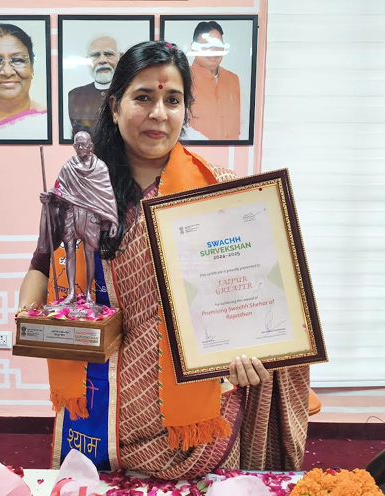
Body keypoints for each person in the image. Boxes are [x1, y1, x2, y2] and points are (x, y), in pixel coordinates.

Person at [18, 41, 309, 479]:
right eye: (143, 98)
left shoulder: (219, 191)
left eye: (172, 100)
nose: (159, 114)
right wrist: (30, 319)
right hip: (98, 408)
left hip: (193, 422)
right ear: (114, 106)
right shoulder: (78, 190)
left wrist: (257, 351)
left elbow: (262, 295)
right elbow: (42, 265)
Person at [35, 131, 118, 305]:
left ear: (90, 146)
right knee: (69, 251)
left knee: (89, 253)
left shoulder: (100, 167)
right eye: (77, 144)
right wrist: (49, 197)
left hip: (91, 217)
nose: (80, 147)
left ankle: (88, 295)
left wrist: (113, 221)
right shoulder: (68, 167)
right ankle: (71, 293)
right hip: (71, 214)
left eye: (83, 144)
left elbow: (107, 196)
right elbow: (60, 190)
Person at [188, 21, 248, 141]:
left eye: (218, 45)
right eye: (206, 45)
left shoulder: (234, 79)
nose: (213, 51)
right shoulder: (183, 79)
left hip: (234, 150)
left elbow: (246, 122)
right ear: (193, 48)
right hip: (195, 150)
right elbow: (179, 127)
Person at [67, 36, 121, 138]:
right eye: (95, 55)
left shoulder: (128, 92)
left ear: (119, 57)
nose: (102, 60)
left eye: (108, 54)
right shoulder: (75, 95)